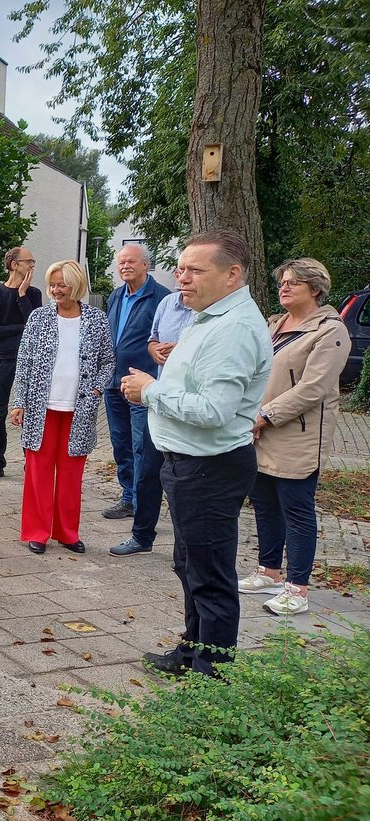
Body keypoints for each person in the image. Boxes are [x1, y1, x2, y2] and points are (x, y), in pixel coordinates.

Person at [121, 229, 272, 677]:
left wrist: (149, 392)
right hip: (189, 463)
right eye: (180, 268)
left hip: (209, 467)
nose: (181, 278)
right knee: (190, 564)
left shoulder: (234, 329)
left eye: (194, 270)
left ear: (232, 274)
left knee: (210, 574)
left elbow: (213, 410)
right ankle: (191, 652)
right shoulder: (208, 318)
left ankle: (212, 675)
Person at [239, 258, 351, 615]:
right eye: (282, 283)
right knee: (265, 505)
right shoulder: (274, 325)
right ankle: (269, 571)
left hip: (295, 435)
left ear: (315, 289)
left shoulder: (330, 331)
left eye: (293, 283)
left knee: (297, 510)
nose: (283, 288)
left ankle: (297, 588)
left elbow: (312, 388)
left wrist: (265, 415)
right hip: (259, 431)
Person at [9, 261, 113, 554]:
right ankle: (37, 532)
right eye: (52, 285)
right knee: (38, 472)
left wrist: (96, 388)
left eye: (61, 285)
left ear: (76, 286)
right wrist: (19, 402)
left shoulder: (96, 319)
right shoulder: (38, 318)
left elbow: (109, 362)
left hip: (79, 409)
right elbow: (25, 362)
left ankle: (67, 532)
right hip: (41, 407)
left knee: (70, 475)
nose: (55, 290)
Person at [103, 244, 170, 521]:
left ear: (145, 265)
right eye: (121, 263)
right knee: (121, 443)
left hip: (141, 384)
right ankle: (128, 496)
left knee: (143, 446)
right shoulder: (115, 296)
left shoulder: (162, 299)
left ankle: (144, 502)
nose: (125, 266)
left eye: (131, 261)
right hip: (113, 382)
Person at [0, 247, 43, 481]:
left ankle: (32, 461)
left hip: (30, 360)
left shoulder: (33, 294)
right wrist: (21, 328)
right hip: (1, 359)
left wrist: (23, 295)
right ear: (14, 265)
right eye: (29, 261)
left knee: (30, 411)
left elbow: (36, 326)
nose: (32, 266)